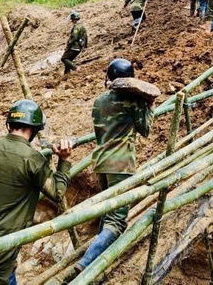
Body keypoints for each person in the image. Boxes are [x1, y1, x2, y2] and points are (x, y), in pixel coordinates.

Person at [0, 99, 73, 285]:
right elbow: (57, 194)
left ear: (9, 124)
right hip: (4, 238)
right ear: (35, 129)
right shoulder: (33, 159)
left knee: (6, 271)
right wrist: (64, 161)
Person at [74, 58, 155, 273]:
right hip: (121, 164)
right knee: (117, 221)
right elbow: (145, 129)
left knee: (108, 210)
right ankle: (87, 263)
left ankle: (94, 253)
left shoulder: (99, 101)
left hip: (101, 161)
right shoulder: (132, 101)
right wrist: (149, 107)